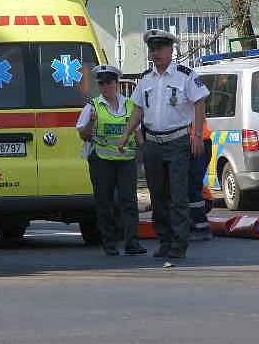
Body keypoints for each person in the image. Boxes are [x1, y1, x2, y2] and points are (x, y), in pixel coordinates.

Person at [118, 29, 209, 259]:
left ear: (171, 49)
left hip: (178, 140)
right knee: (157, 194)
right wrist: (127, 132)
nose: (155, 52)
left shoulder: (185, 75)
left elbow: (199, 102)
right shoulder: (146, 79)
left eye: (160, 48)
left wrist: (197, 135)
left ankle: (180, 242)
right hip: (153, 143)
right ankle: (165, 241)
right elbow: (138, 108)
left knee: (178, 194)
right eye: (152, 49)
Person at [76, 64, 147, 256]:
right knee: (104, 202)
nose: (104, 87)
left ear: (116, 84)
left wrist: (147, 153)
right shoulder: (92, 106)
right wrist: (91, 121)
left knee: (129, 202)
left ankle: (132, 242)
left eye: (108, 83)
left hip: (126, 160)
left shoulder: (130, 105)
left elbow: (139, 134)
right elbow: (83, 135)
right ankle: (109, 243)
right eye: (101, 84)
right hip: (101, 160)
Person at [188, 120, 213, 241]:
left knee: (192, 185)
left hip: (197, 141)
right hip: (194, 141)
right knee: (191, 185)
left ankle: (201, 226)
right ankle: (195, 224)